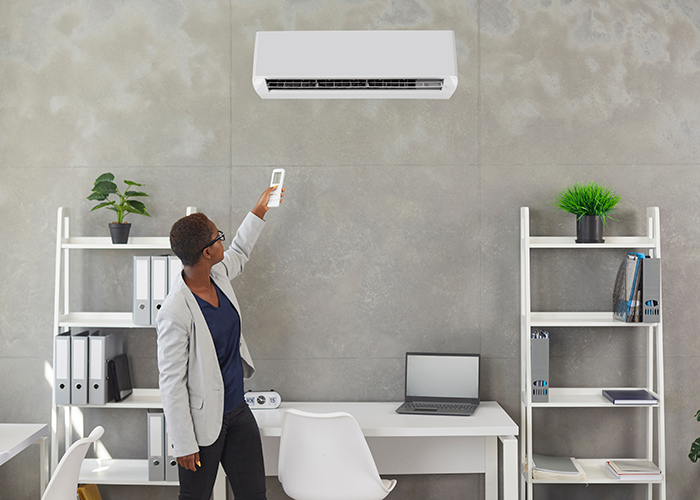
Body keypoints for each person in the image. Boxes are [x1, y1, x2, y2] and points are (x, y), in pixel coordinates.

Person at [156, 184, 284, 500]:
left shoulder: (218, 276)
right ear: (206, 252)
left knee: (254, 496)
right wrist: (182, 443)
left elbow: (240, 252)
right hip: (202, 426)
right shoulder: (175, 310)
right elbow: (172, 383)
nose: (222, 240)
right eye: (218, 236)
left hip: (237, 410)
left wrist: (260, 210)